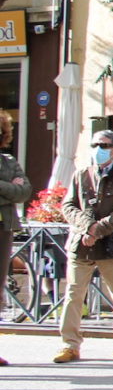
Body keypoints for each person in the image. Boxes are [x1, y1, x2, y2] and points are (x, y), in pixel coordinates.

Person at [55, 130, 113, 363]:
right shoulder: (81, 174)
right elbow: (68, 206)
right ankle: (70, 345)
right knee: (73, 295)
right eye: (95, 144)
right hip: (82, 244)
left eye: (104, 144)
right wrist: (87, 227)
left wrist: (98, 230)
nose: (99, 148)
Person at [0, 111, 30, 341]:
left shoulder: (8, 162)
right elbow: (15, 190)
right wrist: (8, 188)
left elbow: (24, 192)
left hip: (4, 229)